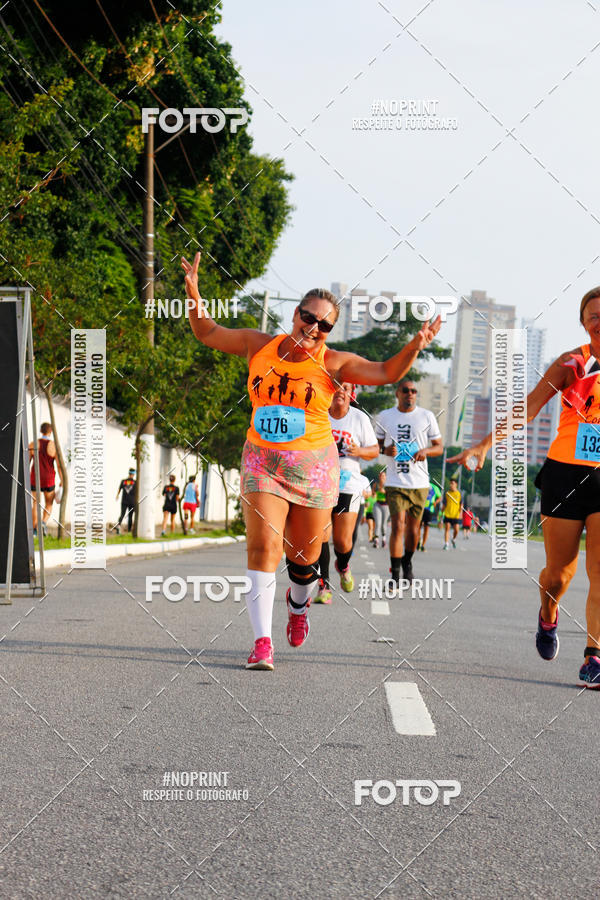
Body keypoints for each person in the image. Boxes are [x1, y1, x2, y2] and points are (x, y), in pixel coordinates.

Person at [182, 251, 441, 670]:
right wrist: (193, 291)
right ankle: (262, 643)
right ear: (296, 313)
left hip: (315, 470)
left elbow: (386, 372)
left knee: (304, 559)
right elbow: (207, 331)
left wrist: (415, 344)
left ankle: (298, 606)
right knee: (264, 546)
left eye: (324, 324)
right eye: (308, 317)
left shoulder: (334, 363)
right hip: (263, 463)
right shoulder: (258, 344)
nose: (314, 328)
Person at [450, 286, 600, 688]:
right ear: (584, 324)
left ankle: (594, 655)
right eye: (593, 316)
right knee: (558, 573)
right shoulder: (573, 364)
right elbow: (530, 407)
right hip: (565, 476)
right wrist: (483, 444)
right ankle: (548, 614)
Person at [315, 383, 379, 603]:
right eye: (336, 386)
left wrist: (359, 451)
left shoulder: (359, 419)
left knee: (342, 542)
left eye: (345, 387)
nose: (340, 391)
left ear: (352, 394)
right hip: (320, 480)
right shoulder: (318, 412)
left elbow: (374, 450)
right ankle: (323, 586)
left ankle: (342, 564)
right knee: (321, 534)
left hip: (347, 482)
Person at [375, 380, 443, 585]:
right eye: (406, 390)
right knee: (397, 526)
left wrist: (426, 451)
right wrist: (384, 451)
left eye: (413, 391)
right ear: (398, 393)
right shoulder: (385, 416)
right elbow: (375, 446)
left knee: (413, 530)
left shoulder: (426, 416)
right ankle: (395, 574)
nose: (410, 394)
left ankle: (407, 562)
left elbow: (439, 447)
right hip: (395, 482)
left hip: (420, 483)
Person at [29, 422, 63, 537]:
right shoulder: (54, 446)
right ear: (50, 432)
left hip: (35, 478)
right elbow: (58, 465)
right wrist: (62, 480)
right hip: (49, 479)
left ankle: (34, 529)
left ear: (40, 431)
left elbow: (27, 462)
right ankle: (43, 522)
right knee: (49, 503)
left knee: (35, 503)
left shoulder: (33, 444)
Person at [418, 481, 441, 551]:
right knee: (418, 527)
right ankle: (418, 541)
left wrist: (435, 502)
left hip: (429, 510)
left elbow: (439, 497)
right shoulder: (420, 484)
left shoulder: (435, 487)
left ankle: (423, 545)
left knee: (426, 528)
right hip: (420, 508)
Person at [442, 478, 462, 549]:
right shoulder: (447, 493)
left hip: (456, 515)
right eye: (450, 484)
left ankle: (453, 539)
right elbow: (444, 504)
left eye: (452, 484)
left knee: (456, 529)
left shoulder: (459, 494)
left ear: (456, 484)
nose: (451, 485)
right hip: (447, 514)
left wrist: (460, 513)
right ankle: (446, 544)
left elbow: (461, 505)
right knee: (447, 528)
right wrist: (441, 514)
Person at [114, 468, 136, 534]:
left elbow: (119, 489)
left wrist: (117, 495)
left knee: (123, 514)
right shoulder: (135, 482)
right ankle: (129, 530)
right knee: (130, 516)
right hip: (131, 501)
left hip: (124, 501)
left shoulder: (123, 481)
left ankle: (119, 526)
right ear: (133, 474)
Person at [372, 469, 389, 549]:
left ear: (386, 477)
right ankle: (376, 540)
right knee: (377, 523)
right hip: (377, 504)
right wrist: (374, 493)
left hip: (386, 505)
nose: (381, 477)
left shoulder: (389, 485)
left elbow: (391, 495)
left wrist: (385, 492)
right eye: (380, 476)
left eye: (383, 476)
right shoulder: (376, 484)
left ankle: (384, 540)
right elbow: (372, 493)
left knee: (383, 524)